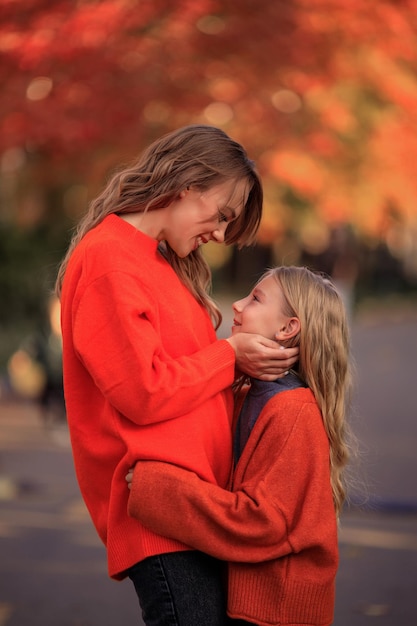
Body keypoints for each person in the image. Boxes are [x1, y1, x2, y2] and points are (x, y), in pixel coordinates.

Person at [55, 125, 298, 626]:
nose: (223, 234)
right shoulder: (110, 260)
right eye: (223, 214)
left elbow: (183, 382)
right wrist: (229, 356)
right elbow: (143, 392)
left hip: (199, 508)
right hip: (158, 511)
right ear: (188, 183)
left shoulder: (158, 262)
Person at [126, 265, 354, 626]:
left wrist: (160, 489)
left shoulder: (295, 412)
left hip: (278, 612)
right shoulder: (247, 394)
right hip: (253, 601)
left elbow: (262, 522)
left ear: (287, 328)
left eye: (255, 299)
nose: (236, 304)